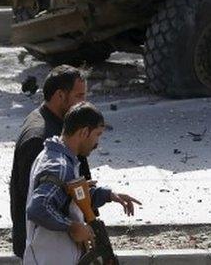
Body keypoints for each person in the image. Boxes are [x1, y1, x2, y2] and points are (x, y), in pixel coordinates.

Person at [24, 103, 141, 264]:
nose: (97, 143)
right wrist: (72, 226)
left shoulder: (58, 157)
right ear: (84, 132)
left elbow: (69, 197)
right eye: (97, 135)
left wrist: (107, 195)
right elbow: (38, 208)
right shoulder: (60, 166)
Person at [9, 65, 88, 258]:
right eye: (79, 96)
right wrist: (74, 226)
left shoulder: (59, 125)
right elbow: (37, 203)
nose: (84, 102)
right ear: (60, 96)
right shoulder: (40, 138)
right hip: (46, 249)